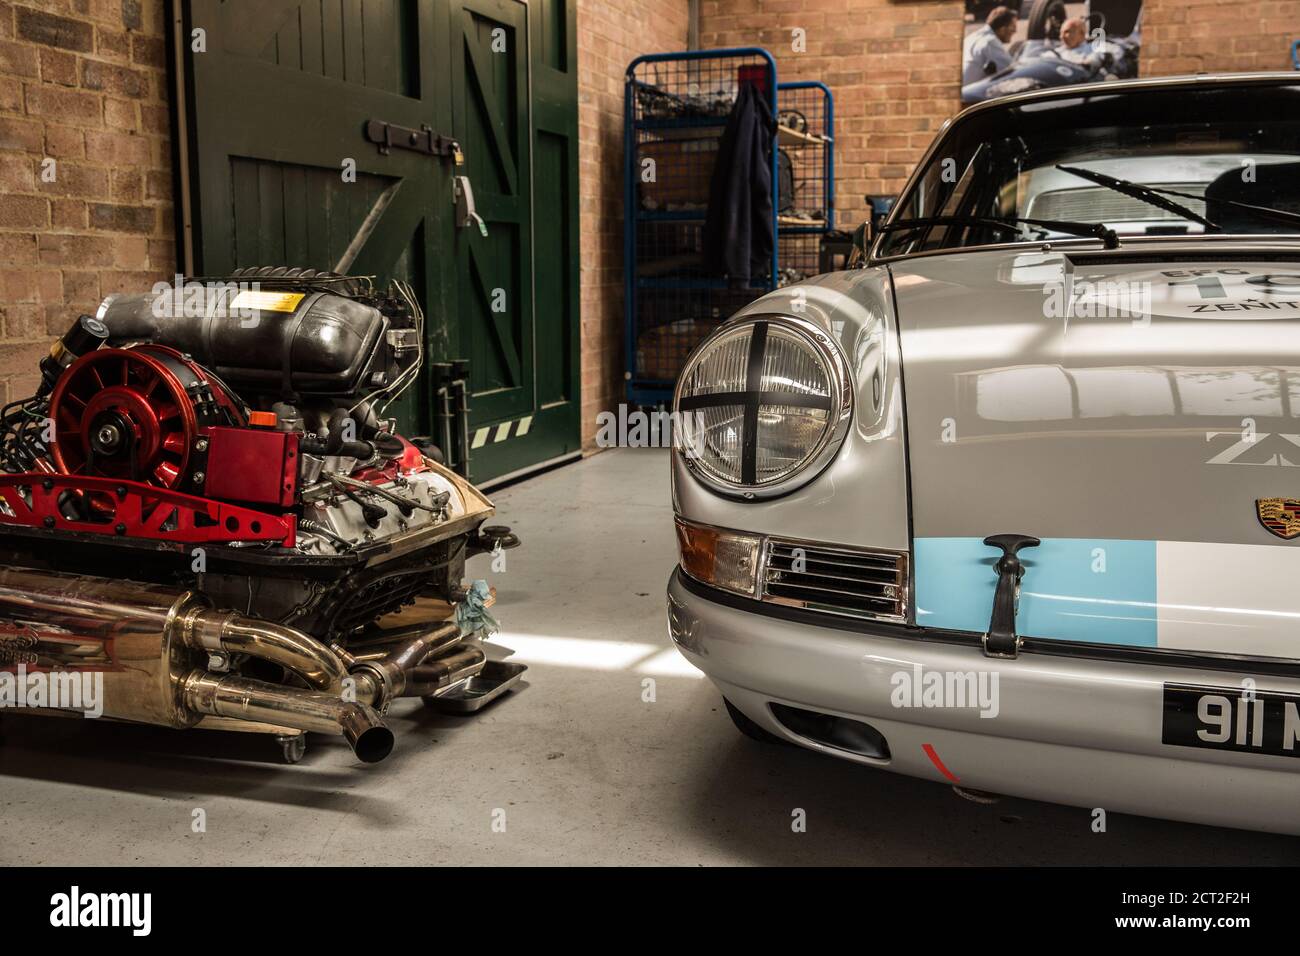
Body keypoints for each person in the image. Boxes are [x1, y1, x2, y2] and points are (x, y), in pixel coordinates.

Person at [962, 7, 1018, 86]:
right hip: (972, 95)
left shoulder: (972, 37)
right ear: (1002, 29)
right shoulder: (990, 42)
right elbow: (1013, 72)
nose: (1015, 31)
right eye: (1013, 27)